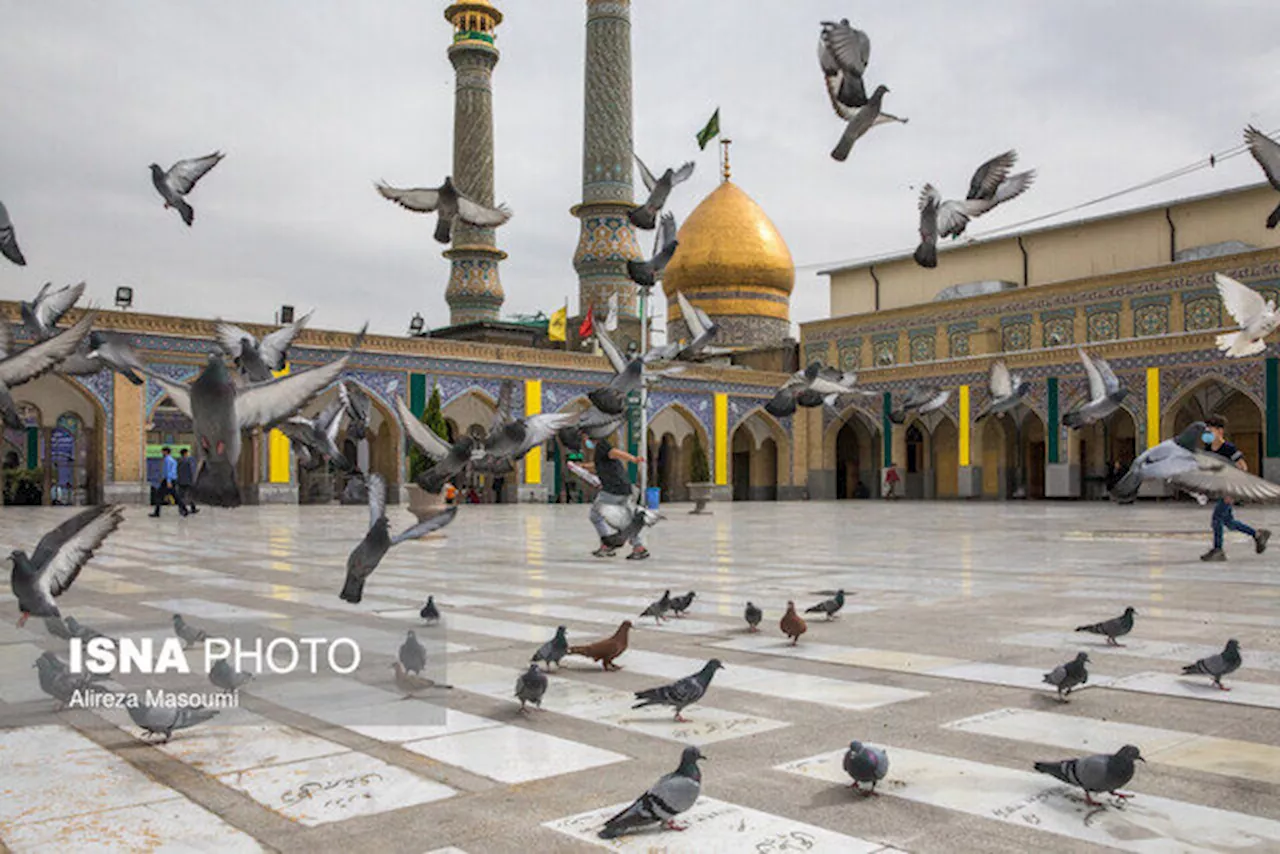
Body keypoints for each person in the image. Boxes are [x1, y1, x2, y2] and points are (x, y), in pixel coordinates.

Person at [1200, 414, 1270, 561]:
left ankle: (1218, 550)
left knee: (1217, 518)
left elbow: (1243, 467)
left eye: (1210, 430)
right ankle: (1257, 534)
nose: (1206, 434)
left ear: (1220, 431)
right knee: (1229, 522)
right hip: (1218, 488)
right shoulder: (1207, 448)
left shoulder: (1228, 448)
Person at [582, 429, 648, 559]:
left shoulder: (602, 445)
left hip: (612, 489)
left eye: (585, 437)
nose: (585, 441)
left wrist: (633, 459)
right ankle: (638, 547)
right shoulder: (600, 451)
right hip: (623, 489)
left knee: (595, 515)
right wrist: (584, 467)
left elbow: (614, 453)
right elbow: (599, 465)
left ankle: (607, 546)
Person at [150, 446, 186, 517]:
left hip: (168, 480)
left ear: (166, 452)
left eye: (162, 451)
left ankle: (157, 512)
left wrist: (168, 481)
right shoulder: (172, 459)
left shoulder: (167, 460)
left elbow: (169, 471)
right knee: (174, 495)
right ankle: (184, 509)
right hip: (170, 479)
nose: (162, 453)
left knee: (159, 495)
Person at [176, 448, 198, 515]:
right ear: (185, 453)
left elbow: (177, 471)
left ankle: (182, 508)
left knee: (181, 495)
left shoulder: (178, 461)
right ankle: (191, 508)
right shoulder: (188, 461)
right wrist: (193, 480)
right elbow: (191, 471)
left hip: (180, 481)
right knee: (189, 495)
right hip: (188, 481)